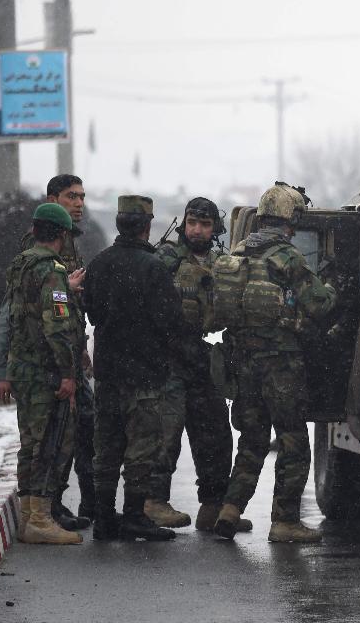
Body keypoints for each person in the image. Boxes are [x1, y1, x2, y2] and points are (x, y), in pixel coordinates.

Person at [214, 182, 337, 544]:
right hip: (280, 365)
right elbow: (320, 306)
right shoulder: (287, 257)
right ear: (290, 218)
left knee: (251, 442)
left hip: (242, 361)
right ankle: (285, 521)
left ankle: (230, 510)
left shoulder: (237, 254)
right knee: (293, 442)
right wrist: (332, 288)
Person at [83, 195, 196, 542]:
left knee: (107, 447)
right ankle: (133, 516)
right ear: (147, 226)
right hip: (144, 375)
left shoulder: (99, 264)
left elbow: (93, 315)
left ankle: (103, 518)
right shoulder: (154, 268)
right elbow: (171, 322)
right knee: (141, 449)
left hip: (108, 373)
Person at [0, 174, 95, 532]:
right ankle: (41, 513)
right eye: (72, 196)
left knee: (51, 438)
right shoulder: (44, 259)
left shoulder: (37, 256)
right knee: (48, 441)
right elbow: (38, 317)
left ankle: (45, 509)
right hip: (46, 365)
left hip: (39, 362)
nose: (79, 203)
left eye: (82, 196)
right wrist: (68, 369)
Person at [150, 197, 249, 533]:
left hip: (207, 361)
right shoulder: (165, 258)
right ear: (184, 224)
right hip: (171, 360)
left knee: (216, 436)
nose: (197, 230)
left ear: (214, 228)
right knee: (166, 432)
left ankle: (213, 505)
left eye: (204, 224)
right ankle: (154, 502)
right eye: (192, 223)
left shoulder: (224, 263)